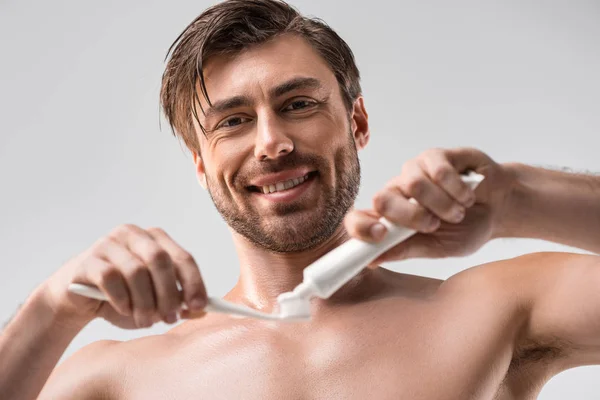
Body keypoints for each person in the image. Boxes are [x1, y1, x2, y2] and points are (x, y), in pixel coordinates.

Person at [1, 0, 599, 399]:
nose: (272, 143)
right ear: (200, 161)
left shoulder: (489, 314)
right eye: (232, 121)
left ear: (357, 121)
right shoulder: (118, 380)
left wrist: (518, 199)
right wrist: (52, 308)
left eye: (298, 105)